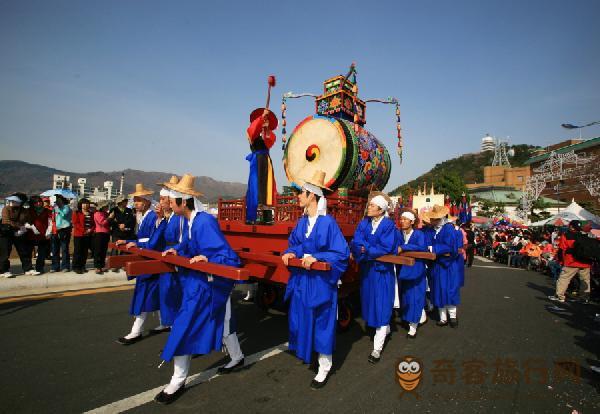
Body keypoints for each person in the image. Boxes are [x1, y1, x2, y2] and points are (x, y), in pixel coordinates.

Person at [156, 174, 244, 404]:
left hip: (210, 281)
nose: (169, 204)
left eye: (172, 200)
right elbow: (191, 244)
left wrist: (208, 256)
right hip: (203, 277)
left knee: (183, 325)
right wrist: (179, 250)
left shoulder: (204, 221)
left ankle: (178, 379)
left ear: (183, 202)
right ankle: (237, 356)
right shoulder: (190, 220)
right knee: (224, 320)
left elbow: (225, 255)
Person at [281, 170, 350, 389]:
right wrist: (292, 252)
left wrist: (316, 257)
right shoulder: (302, 223)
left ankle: (325, 365)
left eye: (302, 192)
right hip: (303, 281)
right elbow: (298, 244)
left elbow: (341, 253)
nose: (298, 196)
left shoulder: (328, 223)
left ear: (312, 196)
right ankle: (310, 353)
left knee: (322, 322)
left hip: (321, 283)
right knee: (302, 318)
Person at [350, 192, 398, 363]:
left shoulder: (388, 226)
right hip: (368, 271)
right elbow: (356, 241)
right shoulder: (364, 223)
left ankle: (377, 349)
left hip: (382, 273)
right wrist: (366, 248)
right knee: (370, 303)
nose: (368, 207)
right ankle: (383, 328)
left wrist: (366, 248)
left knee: (382, 305)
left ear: (380, 210)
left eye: (371, 205)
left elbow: (385, 247)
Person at [115, 184, 162, 344]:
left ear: (147, 202)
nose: (135, 203)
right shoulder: (144, 216)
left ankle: (136, 331)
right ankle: (166, 322)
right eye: (135, 200)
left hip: (150, 259)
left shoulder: (152, 217)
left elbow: (151, 240)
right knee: (156, 292)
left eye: (139, 200)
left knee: (144, 293)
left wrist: (132, 242)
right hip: (146, 255)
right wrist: (129, 241)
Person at [149, 176, 184, 333]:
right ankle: (168, 321)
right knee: (165, 291)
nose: (161, 201)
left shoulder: (178, 219)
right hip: (167, 256)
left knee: (172, 291)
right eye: (161, 198)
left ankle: (175, 324)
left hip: (174, 258)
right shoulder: (168, 218)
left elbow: (183, 240)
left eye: (164, 198)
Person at [424, 205, 460, 327]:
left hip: (448, 265)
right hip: (435, 265)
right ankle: (443, 317)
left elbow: (450, 246)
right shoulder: (430, 230)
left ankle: (453, 316)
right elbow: (426, 243)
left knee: (450, 290)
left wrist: (433, 248)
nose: (431, 220)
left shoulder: (448, 229)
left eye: (433, 218)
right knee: (437, 290)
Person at [396, 210, 428, 339]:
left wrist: (404, 247)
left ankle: (413, 326)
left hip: (416, 270)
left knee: (415, 297)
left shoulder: (419, 234)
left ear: (412, 221)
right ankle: (411, 317)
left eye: (405, 219)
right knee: (406, 297)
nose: (402, 221)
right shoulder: (399, 233)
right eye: (401, 219)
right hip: (403, 270)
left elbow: (422, 247)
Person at [245, 107, 278, 224]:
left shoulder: (268, 134)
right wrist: (261, 118)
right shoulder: (251, 133)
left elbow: (271, 141)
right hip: (257, 159)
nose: (265, 120)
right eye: (264, 119)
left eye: (267, 119)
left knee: (267, 186)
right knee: (255, 185)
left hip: (266, 160)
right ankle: (251, 216)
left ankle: (267, 216)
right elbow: (252, 130)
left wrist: (266, 128)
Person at [549, 220, 592, 304]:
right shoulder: (585, 235)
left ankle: (559, 296)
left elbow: (561, 250)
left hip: (571, 262)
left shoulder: (566, 235)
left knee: (564, 279)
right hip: (585, 262)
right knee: (585, 281)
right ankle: (584, 298)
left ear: (571, 227)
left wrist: (560, 261)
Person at [108, 195, 136, 270]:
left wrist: (125, 225)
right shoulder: (114, 210)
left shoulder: (129, 210)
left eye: (126, 201)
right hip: (116, 232)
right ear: (120, 202)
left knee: (125, 249)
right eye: (124, 201)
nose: (126, 202)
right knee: (115, 248)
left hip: (126, 232)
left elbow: (132, 221)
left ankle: (123, 264)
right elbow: (110, 221)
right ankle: (114, 265)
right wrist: (118, 225)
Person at [26, 195, 51, 274]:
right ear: (32, 203)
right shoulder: (29, 211)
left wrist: (48, 231)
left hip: (43, 235)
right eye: (36, 202)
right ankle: (29, 268)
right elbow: (25, 222)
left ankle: (40, 268)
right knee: (28, 252)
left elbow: (50, 222)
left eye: (40, 201)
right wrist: (32, 228)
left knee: (42, 253)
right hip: (31, 234)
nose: (39, 203)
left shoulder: (46, 210)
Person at [71, 198, 94, 274]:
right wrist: (84, 230)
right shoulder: (77, 212)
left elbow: (93, 224)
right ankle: (76, 267)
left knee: (85, 251)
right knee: (78, 251)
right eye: (84, 203)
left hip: (88, 235)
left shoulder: (91, 213)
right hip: (79, 235)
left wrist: (90, 230)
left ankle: (82, 266)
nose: (85, 205)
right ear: (80, 204)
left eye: (87, 203)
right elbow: (75, 223)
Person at [51, 195, 72, 272]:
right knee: (55, 249)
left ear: (62, 200)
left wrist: (57, 209)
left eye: (58, 200)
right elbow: (53, 218)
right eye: (56, 200)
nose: (57, 201)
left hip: (64, 230)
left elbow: (63, 215)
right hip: (55, 230)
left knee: (64, 249)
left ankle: (65, 266)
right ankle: (55, 266)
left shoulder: (66, 207)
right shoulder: (54, 208)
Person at [92, 200, 111, 274]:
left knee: (104, 250)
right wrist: (109, 218)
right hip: (99, 233)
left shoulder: (105, 213)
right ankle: (97, 266)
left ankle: (102, 265)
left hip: (106, 233)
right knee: (98, 250)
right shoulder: (97, 213)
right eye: (105, 206)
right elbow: (102, 223)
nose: (107, 207)